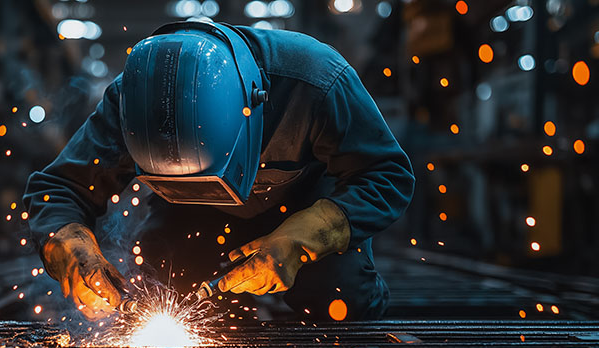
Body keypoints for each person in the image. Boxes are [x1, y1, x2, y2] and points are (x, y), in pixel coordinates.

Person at [23, 21, 414, 321]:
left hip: (303, 210)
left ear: (253, 106)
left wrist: (302, 239)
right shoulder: (131, 101)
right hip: (187, 218)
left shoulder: (317, 82)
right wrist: (70, 246)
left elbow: (387, 175)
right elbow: (58, 188)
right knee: (166, 290)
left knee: (340, 298)